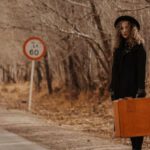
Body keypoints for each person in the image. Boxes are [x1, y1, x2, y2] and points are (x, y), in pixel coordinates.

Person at [110, 15, 146, 150]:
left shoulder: (138, 47)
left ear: (132, 29)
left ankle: (137, 148)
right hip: (120, 90)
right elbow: (114, 70)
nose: (124, 31)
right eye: (121, 28)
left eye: (127, 27)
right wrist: (112, 88)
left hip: (134, 89)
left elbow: (141, 69)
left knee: (136, 123)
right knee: (125, 123)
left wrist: (140, 89)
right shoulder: (117, 48)